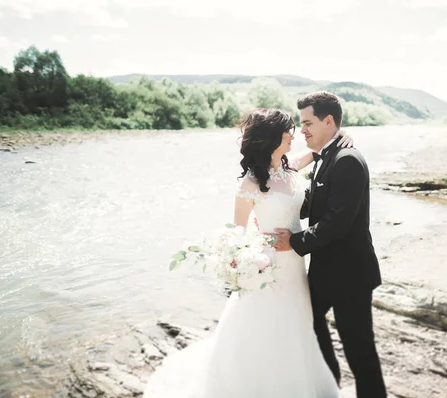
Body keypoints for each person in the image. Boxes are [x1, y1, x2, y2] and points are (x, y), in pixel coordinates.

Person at [143, 108, 354, 397]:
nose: (293, 135)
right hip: (268, 265)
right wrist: (251, 258)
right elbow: (237, 233)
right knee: (263, 327)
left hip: (295, 263)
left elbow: (320, 152)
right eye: (287, 131)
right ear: (272, 137)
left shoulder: (290, 167)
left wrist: (342, 135)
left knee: (297, 326)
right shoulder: (250, 183)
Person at [273, 92, 387, 398]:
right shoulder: (326, 156)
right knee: (308, 323)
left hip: (350, 274)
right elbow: (315, 205)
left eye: (308, 123)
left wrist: (294, 242)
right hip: (325, 272)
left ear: (328, 121)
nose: (303, 130)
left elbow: (338, 221)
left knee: (359, 349)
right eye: (301, 123)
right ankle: (329, 385)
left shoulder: (347, 160)